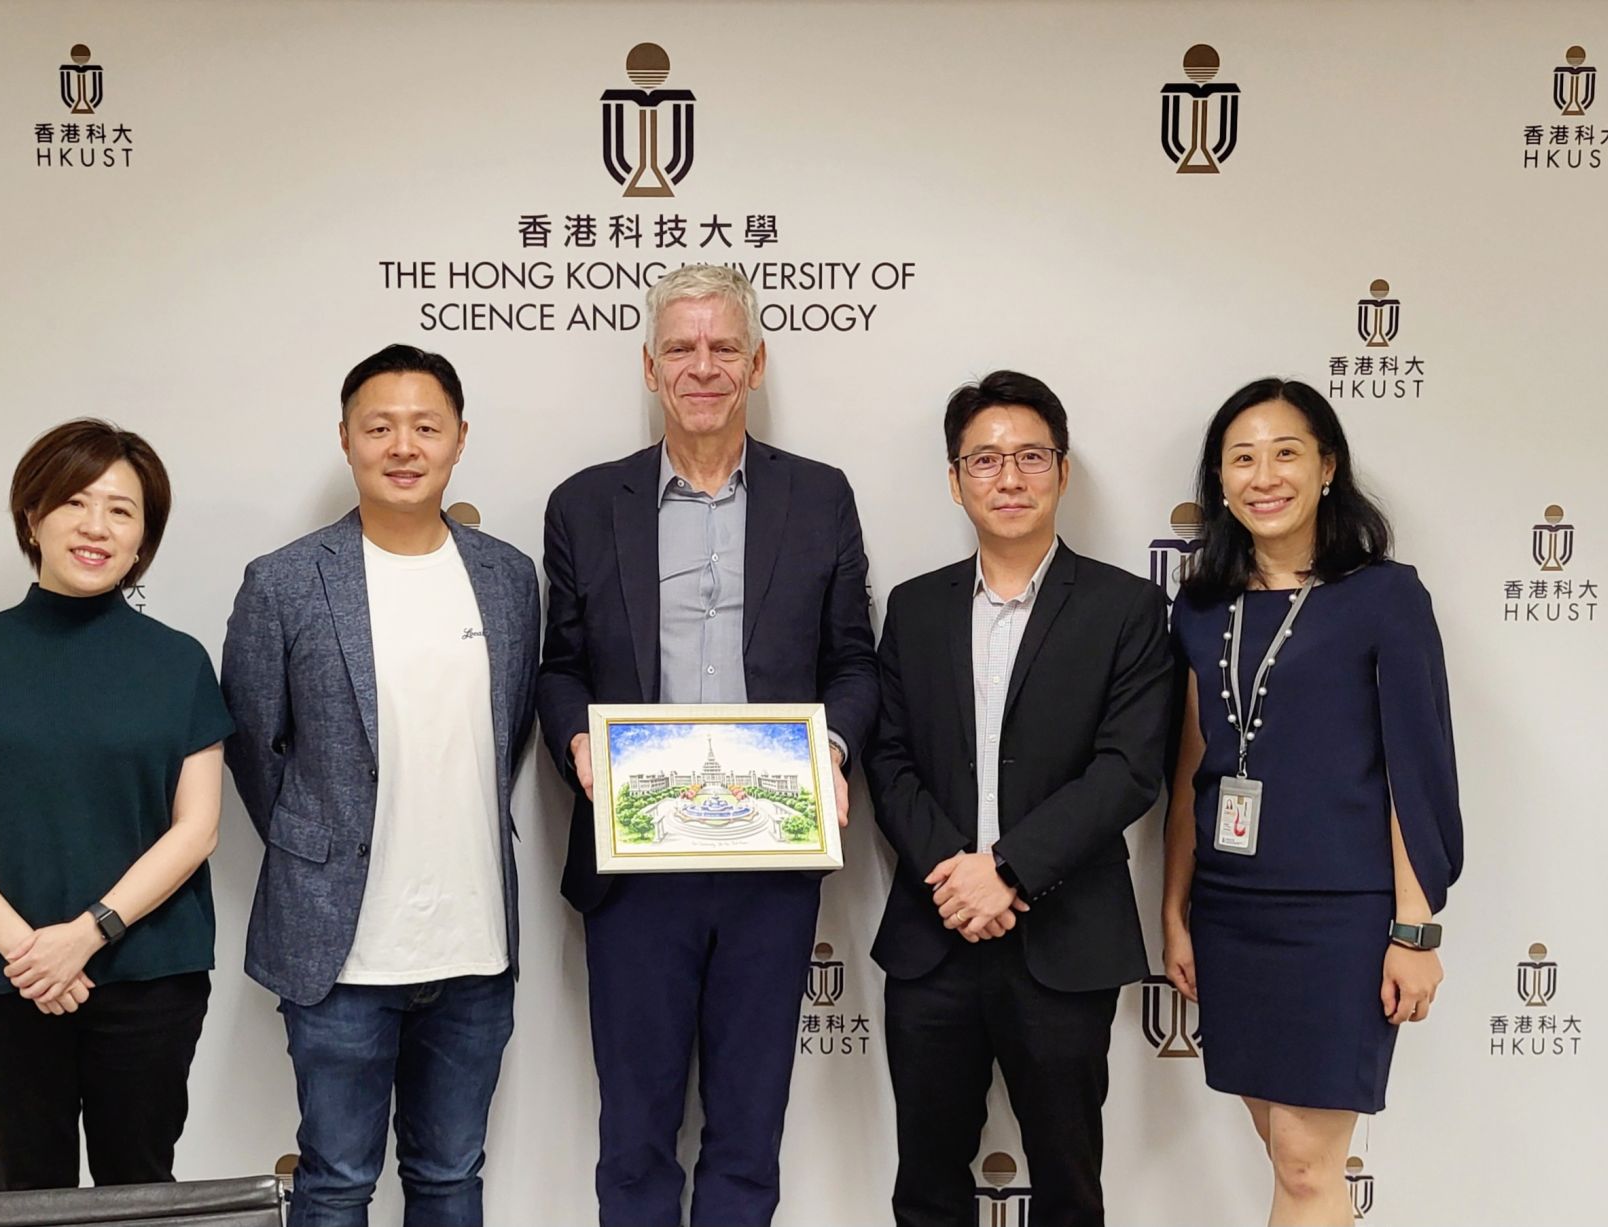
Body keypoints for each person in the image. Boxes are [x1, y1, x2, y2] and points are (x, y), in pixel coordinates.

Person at [537, 264, 878, 1227]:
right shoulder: (584, 504)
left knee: (746, 1130)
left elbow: (854, 662)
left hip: (771, 863)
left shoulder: (819, 497)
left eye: (724, 346)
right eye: (681, 348)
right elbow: (558, 665)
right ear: (650, 367)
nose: (703, 366)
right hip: (634, 860)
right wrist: (577, 742)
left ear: (757, 361)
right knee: (636, 1135)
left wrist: (835, 752)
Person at [222, 344, 540, 1227]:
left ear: (460, 440)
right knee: (336, 1180)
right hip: (341, 955)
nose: (404, 445)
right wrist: (318, 845)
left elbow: (508, 730)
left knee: (450, 1177)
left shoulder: (509, 579)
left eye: (426, 425)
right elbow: (255, 747)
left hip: (474, 947)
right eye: (380, 426)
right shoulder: (284, 581)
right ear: (347, 439)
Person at [865, 372, 1175, 1227]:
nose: (1009, 478)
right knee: (927, 1182)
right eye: (985, 459)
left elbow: (1128, 769)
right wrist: (955, 877)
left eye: (1031, 456)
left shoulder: (1128, 607)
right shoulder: (915, 606)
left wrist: (1006, 871)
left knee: (1069, 1183)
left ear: (1063, 473)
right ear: (956, 478)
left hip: (1067, 938)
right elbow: (888, 761)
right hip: (934, 937)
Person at [1161, 378, 1463, 1227]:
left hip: (1342, 917)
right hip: (1231, 912)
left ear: (1327, 466)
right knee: (1291, 1155)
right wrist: (1175, 906)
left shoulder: (1385, 596)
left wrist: (1414, 925)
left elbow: (1417, 766)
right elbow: (1192, 766)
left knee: (1303, 1167)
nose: (1265, 475)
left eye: (1286, 452)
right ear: (1219, 480)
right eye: (1242, 457)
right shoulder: (1202, 605)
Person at [0, 419, 231, 1191]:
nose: (96, 527)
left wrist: (88, 933)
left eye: (122, 510)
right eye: (76, 502)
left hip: (148, 974)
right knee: (22, 1195)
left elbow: (199, 826)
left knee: (139, 1189)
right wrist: (30, 950)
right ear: (32, 517)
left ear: (144, 537)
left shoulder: (178, 661)